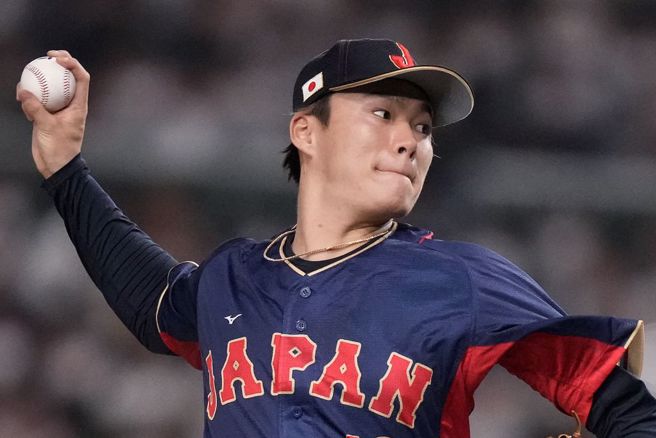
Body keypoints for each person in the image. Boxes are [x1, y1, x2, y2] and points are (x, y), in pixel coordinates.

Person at [17, 39, 656, 438]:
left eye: (423, 127)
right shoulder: (234, 277)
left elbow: (622, 405)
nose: (410, 141)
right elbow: (149, 299)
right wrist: (64, 167)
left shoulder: (461, 279)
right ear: (307, 131)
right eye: (383, 114)